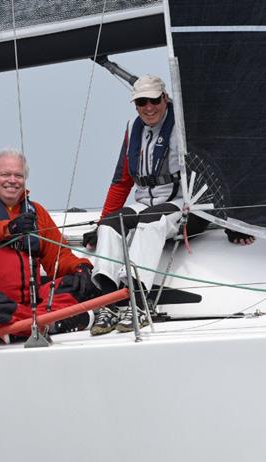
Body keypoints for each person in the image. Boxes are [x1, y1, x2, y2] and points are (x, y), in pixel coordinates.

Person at [85, 74, 254, 336]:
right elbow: (121, 181)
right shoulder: (134, 129)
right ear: (135, 105)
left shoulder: (184, 127)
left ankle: (140, 304)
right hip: (146, 203)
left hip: (187, 206)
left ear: (165, 98)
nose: (148, 107)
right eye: (142, 102)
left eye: (154, 100)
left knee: (151, 221)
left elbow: (217, 171)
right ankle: (110, 302)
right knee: (110, 225)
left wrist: (228, 221)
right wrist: (99, 224)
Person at [0, 148, 96, 340]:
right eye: (5, 174)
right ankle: (52, 323)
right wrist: (8, 228)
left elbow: (58, 255)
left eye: (18, 175)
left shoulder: (36, 211)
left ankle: (21, 327)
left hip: (31, 304)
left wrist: (81, 267)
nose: (12, 180)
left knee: (77, 283)